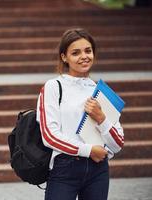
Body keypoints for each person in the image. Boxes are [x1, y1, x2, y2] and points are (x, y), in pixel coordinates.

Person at [36, 28, 124, 200]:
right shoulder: (54, 87)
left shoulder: (102, 92)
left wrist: (102, 118)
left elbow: (118, 143)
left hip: (98, 170)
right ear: (64, 57)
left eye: (88, 51)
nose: (84, 56)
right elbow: (49, 135)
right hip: (65, 168)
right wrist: (88, 150)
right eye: (75, 53)